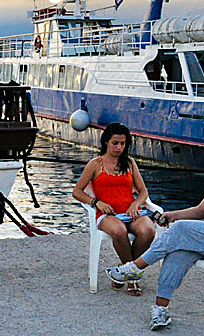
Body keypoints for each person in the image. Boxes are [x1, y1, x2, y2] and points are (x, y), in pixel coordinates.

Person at [106, 136, 204, 331]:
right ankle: (160, 310)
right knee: (178, 252)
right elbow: (201, 211)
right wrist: (172, 215)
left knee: (181, 230)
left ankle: (135, 267)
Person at [72, 122, 156, 296]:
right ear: (106, 142)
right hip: (107, 212)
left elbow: (143, 191)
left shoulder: (130, 163)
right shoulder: (95, 164)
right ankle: (132, 277)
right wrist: (96, 202)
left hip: (130, 210)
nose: (119, 147)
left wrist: (135, 204)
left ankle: (123, 270)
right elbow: (77, 192)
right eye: (115, 143)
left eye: (123, 144)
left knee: (148, 230)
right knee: (118, 231)